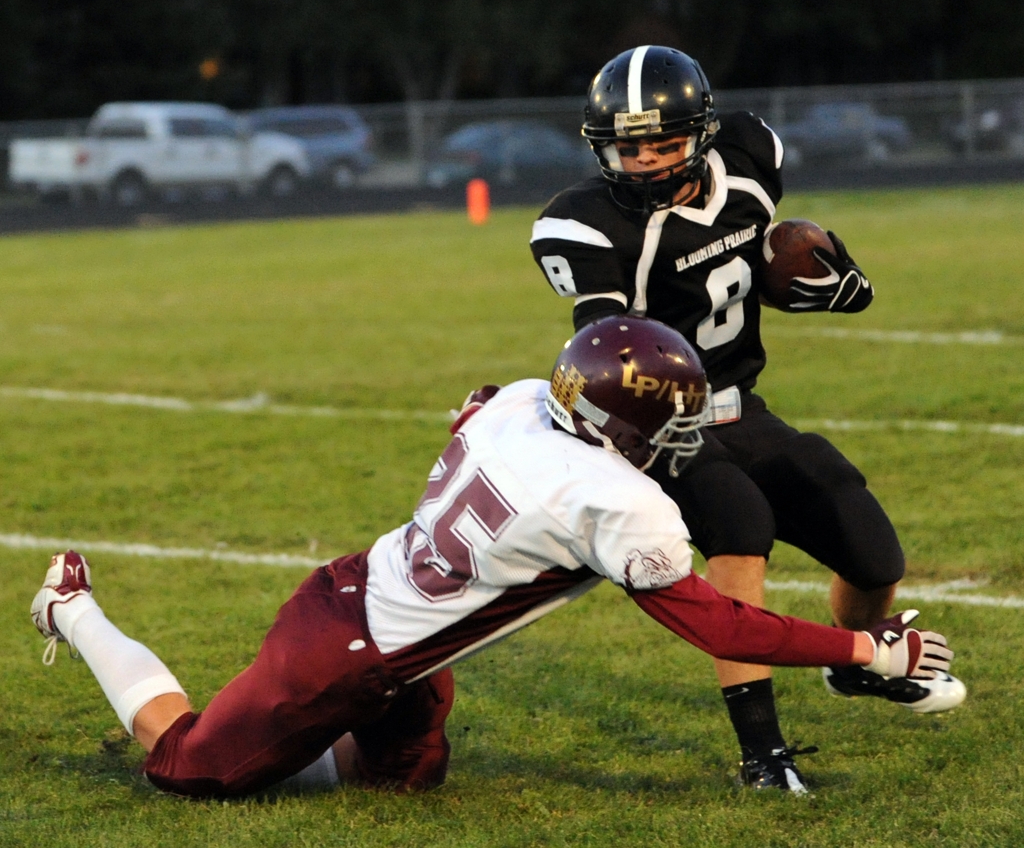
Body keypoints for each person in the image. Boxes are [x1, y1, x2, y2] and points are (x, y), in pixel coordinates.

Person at [30, 316, 954, 799]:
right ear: (614, 427)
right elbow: (722, 622)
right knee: (194, 769)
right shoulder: (614, 497)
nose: (680, 440)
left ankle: (288, 741)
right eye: (666, 423)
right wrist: (868, 650)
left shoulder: (522, 400)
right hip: (346, 651)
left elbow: (470, 408)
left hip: (400, 632)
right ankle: (72, 608)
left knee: (402, 782)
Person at [529, 45, 966, 792]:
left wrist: (827, 280)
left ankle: (854, 663)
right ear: (602, 148)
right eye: (631, 149)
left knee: (867, 542)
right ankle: (763, 754)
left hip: (743, 404)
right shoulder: (587, 224)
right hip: (661, 427)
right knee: (738, 524)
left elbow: (752, 259)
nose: (649, 163)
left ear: (700, 133)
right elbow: (603, 344)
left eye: (666, 144)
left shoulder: (750, 151)